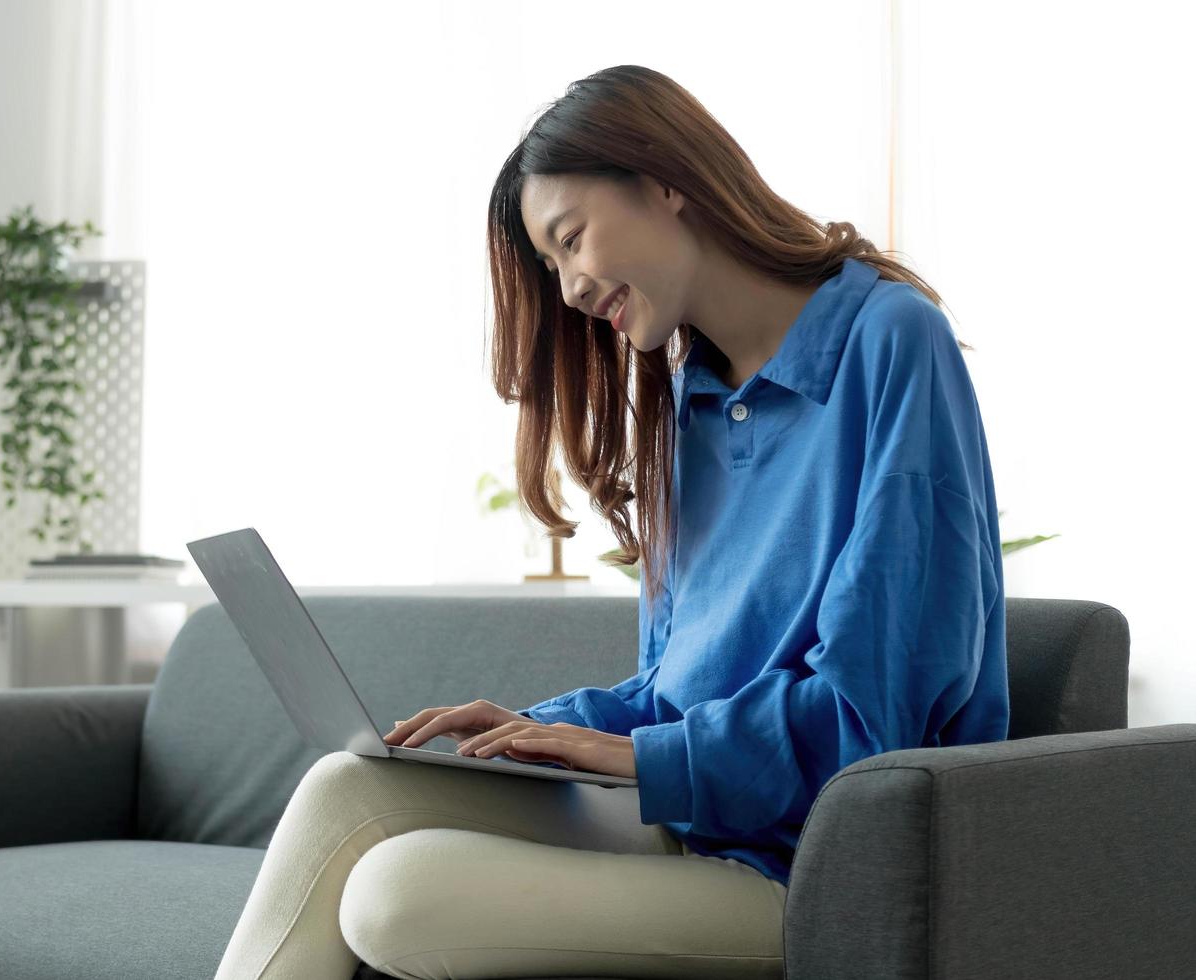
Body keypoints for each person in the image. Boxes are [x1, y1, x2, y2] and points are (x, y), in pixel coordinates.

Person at [213, 63, 1009, 980]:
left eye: (570, 239)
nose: (568, 290)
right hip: (691, 824)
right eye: (550, 266)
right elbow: (671, 691)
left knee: (395, 892)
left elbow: (880, 724)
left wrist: (641, 759)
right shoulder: (689, 405)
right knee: (347, 786)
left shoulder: (891, 343)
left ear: (666, 180)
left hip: (808, 864)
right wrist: (532, 732)